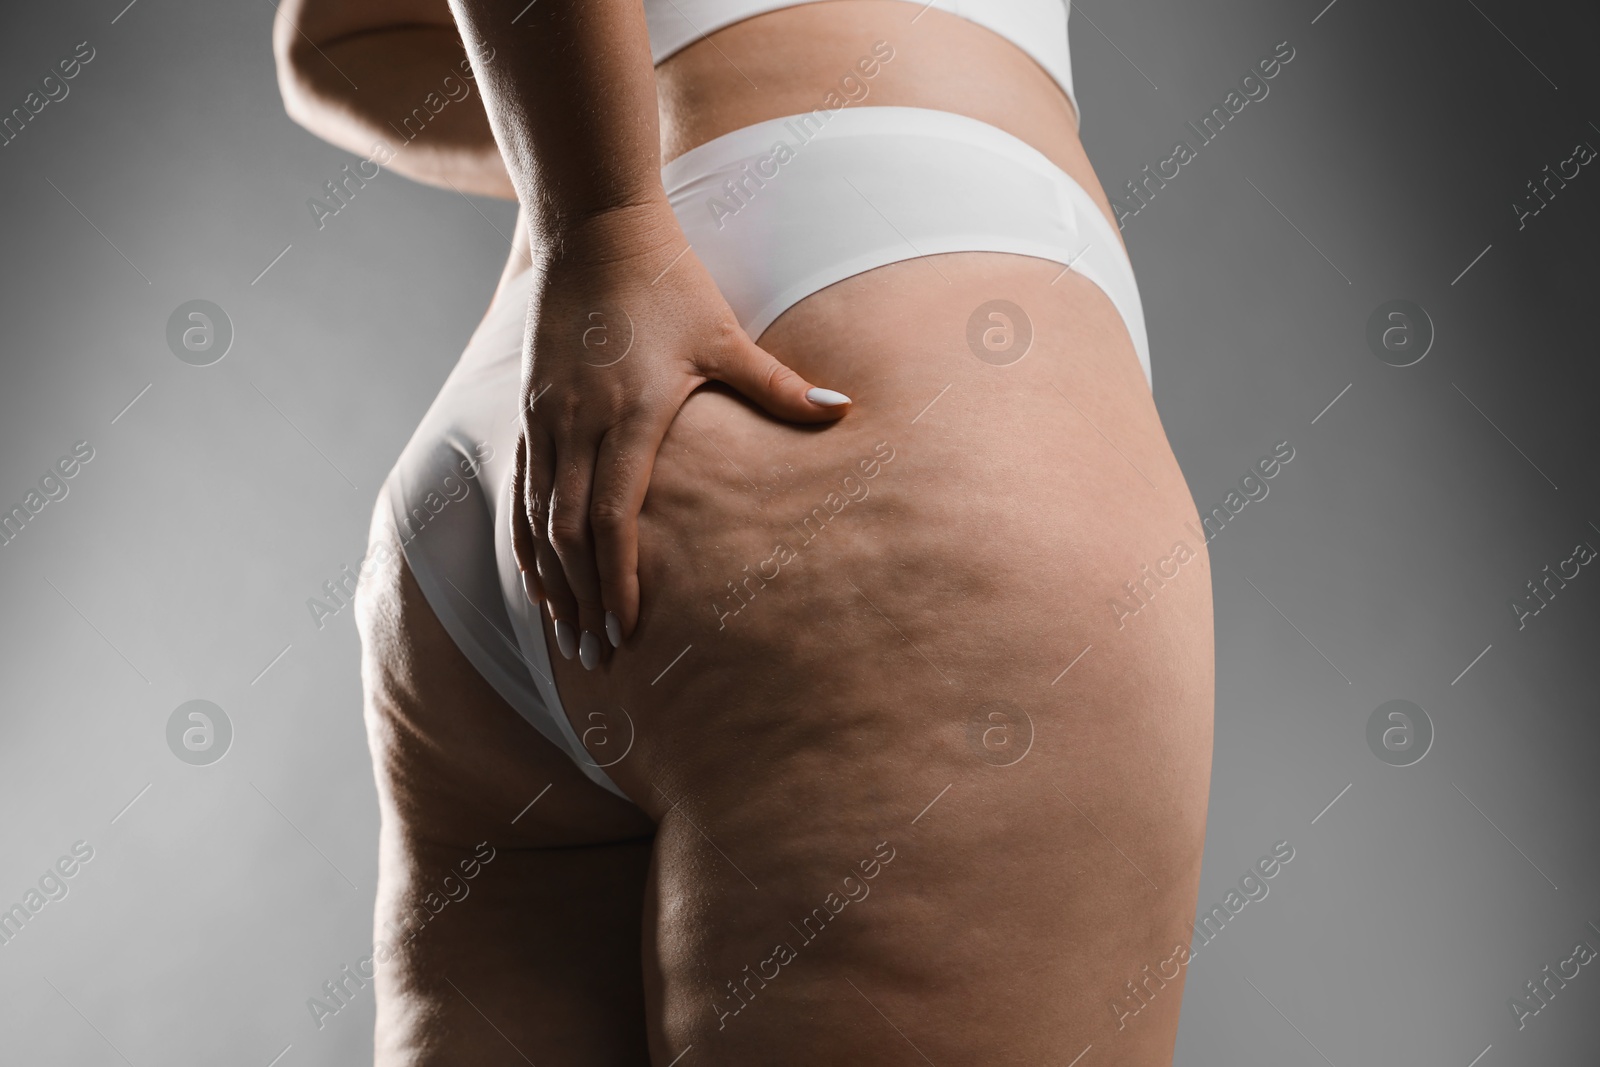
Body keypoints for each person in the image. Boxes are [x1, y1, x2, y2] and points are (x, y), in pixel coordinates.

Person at [274, 1, 1215, 1063]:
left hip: (517, 444)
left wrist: (608, 193)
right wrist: (606, 215)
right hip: (893, 339)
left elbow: (334, 42)